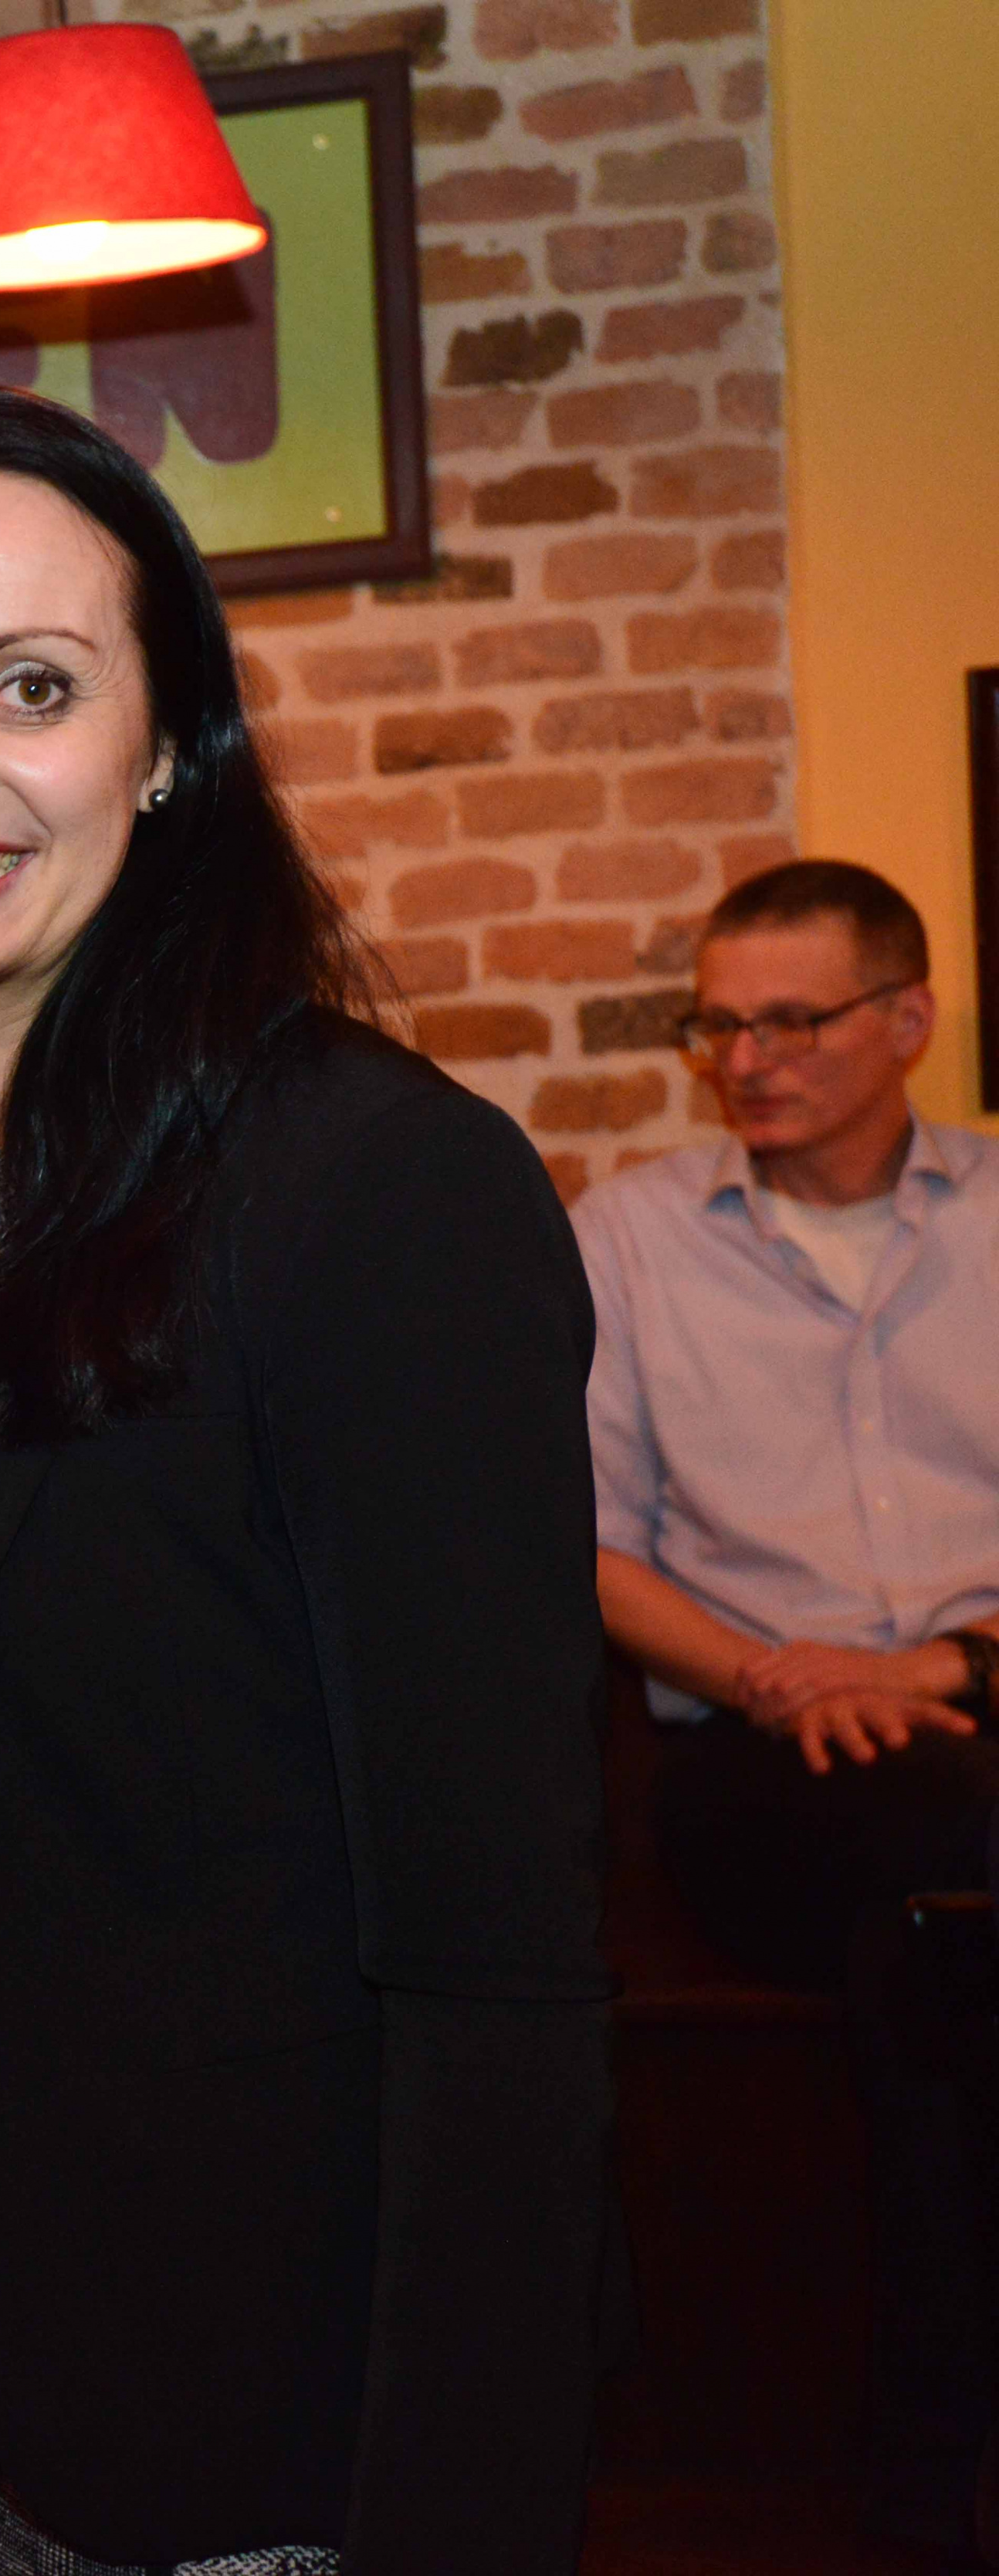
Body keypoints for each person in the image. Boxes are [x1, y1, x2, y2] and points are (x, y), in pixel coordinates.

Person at [0, 383, 609, 2571]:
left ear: (168, 743)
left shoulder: (372, 1195)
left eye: (31, 686)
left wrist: (455, 2507)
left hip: (203, 2380)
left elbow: (494, 1964)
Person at [578, 857, 999, 2552]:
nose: (745, 1062)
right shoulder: (629, 1239)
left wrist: (940, 1668)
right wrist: (771, 1675)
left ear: (907, 1021)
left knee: (931, 1935)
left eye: (792, 1021)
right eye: (718, 1027)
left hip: (972, 1714)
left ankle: (926, 2475)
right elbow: (581, 1546)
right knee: (941, 1861)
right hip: (756, 1754)